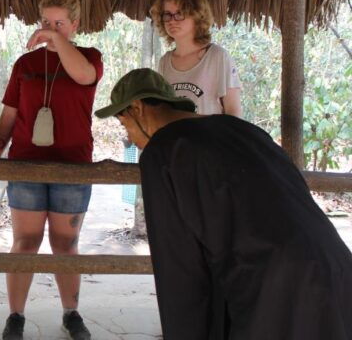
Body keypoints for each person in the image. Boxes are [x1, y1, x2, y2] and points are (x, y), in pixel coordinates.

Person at [95, 68, 352, 340]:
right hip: (337, 266)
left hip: (277, 287)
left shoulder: (163, 152)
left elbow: (180, 267)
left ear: (137, 108)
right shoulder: (245, 130)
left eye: (125, 126)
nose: (132, 140)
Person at [0, 0, 103, 340]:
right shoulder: (25, 64)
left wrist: (55, 40)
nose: (51, 29)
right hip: (26, 165)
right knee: (25, 241)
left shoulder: (90, 57)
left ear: (75, 24)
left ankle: (71, 313)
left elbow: (83, 76)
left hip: (73, 165)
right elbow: (9, 114)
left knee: (66, 245)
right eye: (46, 22)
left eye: (60, 23)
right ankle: (16, 316)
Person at [150, 0, 242, 116]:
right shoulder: (165, 62)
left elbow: (234, 113)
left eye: (179, 13)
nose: (172, 20)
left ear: (197, 17)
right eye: (167, 14)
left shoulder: (217, 57)